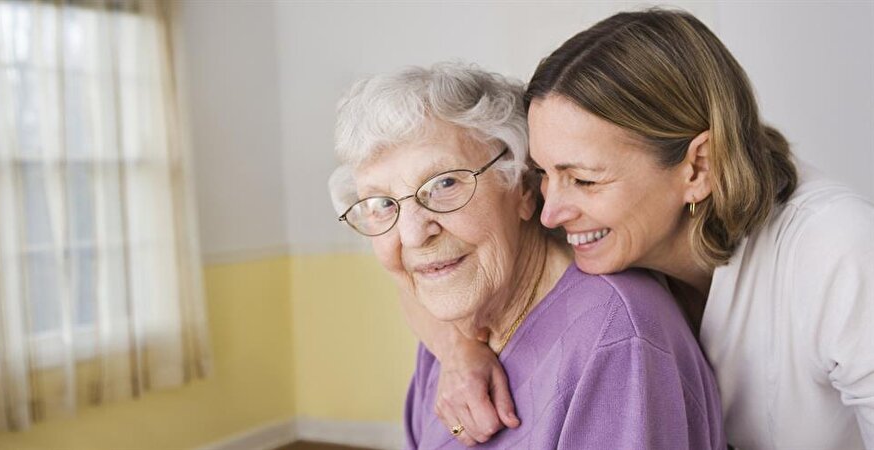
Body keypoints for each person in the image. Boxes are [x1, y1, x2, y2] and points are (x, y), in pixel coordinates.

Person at [409, 9, 874, 449]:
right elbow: (406, 257)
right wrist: (458, 349)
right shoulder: (589, 227)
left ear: (698, 168)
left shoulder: (837, 249)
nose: (550, 213)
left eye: (585, 180)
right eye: (544, 174)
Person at [328, 62, 724, 449]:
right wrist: (454, 348)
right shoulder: (453, 326)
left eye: (445, 183)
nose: (413, 235)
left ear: (522, 186)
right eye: (380, 203)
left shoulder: (617, 337)